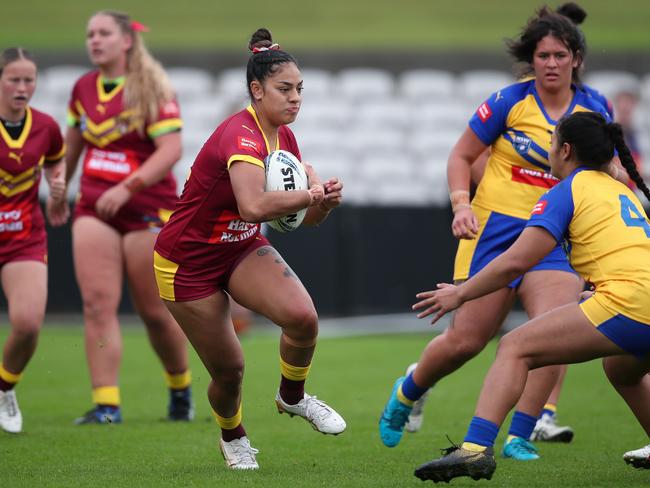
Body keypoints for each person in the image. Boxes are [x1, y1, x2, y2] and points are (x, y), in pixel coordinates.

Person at [379, 8, 614, 461]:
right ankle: (409, 390)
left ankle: (520, 434)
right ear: (532, 58)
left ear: (576, 58)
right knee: (466, 342)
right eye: (542, 54)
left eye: (559, 54)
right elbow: (460, 156)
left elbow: (607, 168)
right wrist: (461, 204)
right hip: (495, 231)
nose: (550, 62)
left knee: (553, 329)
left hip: (555, 236)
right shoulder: (508, 101)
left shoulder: (594, 108)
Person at [411, 111, 650, 482]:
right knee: (621, 369)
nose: (548, 148)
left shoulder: (566, 191)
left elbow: (515, 263)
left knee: (515, 347)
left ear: (566, 150)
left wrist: (461, 294)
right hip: (639, 299)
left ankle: (475, 450)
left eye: (552, 141)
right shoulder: (620, 191)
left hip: (629, 303)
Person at [153, 28, 346, 471]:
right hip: (187, 263)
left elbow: (294, 222)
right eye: (285, 89)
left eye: (300, 89)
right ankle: (233, 435)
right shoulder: (240, 135)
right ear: (256, 91)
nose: (295, 98)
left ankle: (292, 398)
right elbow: (254, 204)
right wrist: (309, 194)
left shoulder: (284, 137)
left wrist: (324, 204)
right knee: (230, 370)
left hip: (239, 246)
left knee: (302, 318)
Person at [50, 11, 193, 424]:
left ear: (126, 40)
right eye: (89, 34)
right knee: (97, 305)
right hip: (94, 206)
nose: (94, 40)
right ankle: (107, 405)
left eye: (103, 33)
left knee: (154, 312)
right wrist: (60, 187)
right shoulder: (82, 88)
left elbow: (171, 150)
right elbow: (71, 145)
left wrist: (126, 187)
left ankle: (180, 387)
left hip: (147, 208)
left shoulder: (152, 86)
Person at [0, 47, 66, 433]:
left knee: (27, 324)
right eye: (14, 79)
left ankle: (5, 388)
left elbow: (56, 158)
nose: (23, 87)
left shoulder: (44, 126)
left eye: (29, 80)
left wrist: (57, 186)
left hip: (23, 236)